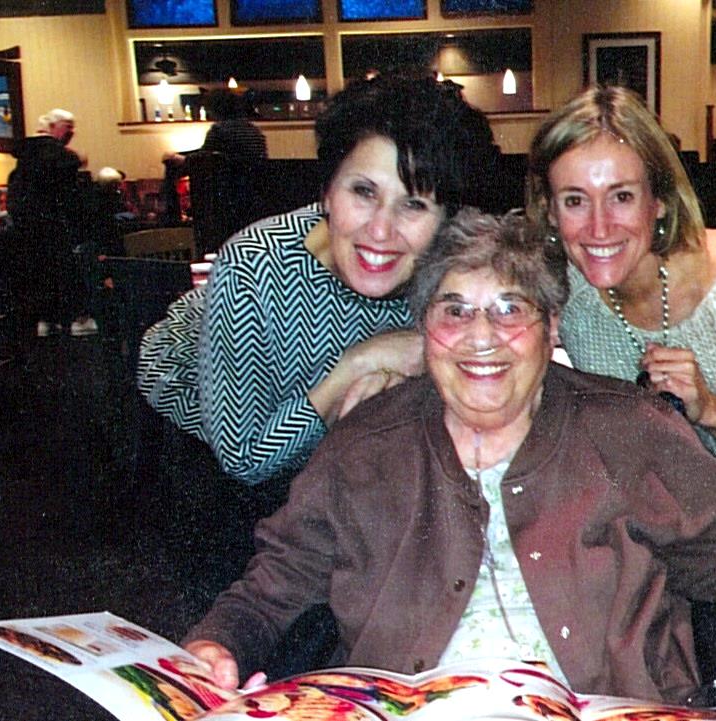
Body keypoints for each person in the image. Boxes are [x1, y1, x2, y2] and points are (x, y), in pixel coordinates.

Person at [180, 210, 716, 719]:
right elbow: (270, 588)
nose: (481, 337)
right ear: (424, 329)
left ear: (552, 326)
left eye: (511, 308)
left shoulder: (629, 429)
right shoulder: (367, 442)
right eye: (454, 310)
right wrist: (215, 646)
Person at [137, 72, 501, 486]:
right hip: (194, 427)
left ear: (447, 220)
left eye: (414, 204)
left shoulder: (453, 261)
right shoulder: (254, 266)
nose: (380, 230)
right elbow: (244, 457)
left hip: (329, 459)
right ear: (327, 192)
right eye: (363, 192)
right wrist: (359, 363)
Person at [526, 86, 716, 551]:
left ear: (659, 201)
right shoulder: (569, 283)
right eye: (575, 201)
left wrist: (713, 411)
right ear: (550, 211)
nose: (598, 228)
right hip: (644, 517)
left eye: (621, 196)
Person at [7, 108, 97, 337]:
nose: (72, 132)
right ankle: (77, 320)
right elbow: (72, 199)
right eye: (68, 127)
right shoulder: (62, 158)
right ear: (54, 127)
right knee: (67, 271)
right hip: (56, 226)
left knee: (39, 275)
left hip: (26, 229)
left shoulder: (24, 158)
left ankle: (46, 321)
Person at [161, 88, 268, 234]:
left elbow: (205, 159)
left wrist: (178, 158)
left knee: (172, 166)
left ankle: (172, 217)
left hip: (224, 191)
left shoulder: (220, 130)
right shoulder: (254, 131)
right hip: (251, 191)